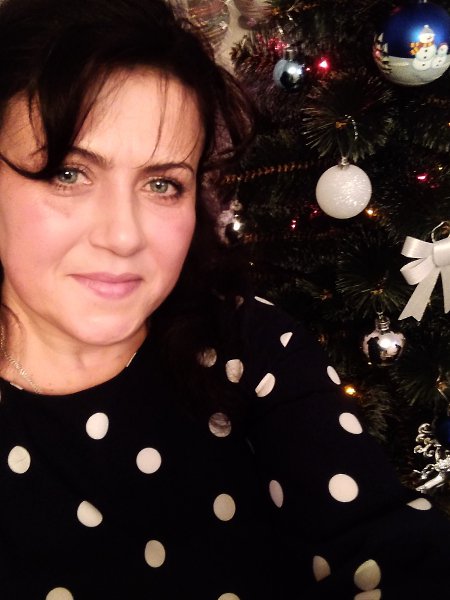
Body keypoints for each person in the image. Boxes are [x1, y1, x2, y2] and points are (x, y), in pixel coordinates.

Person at [0, 0, 448, 598]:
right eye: (68, 173)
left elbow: (389, 548)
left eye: (163, 184)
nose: (124, 236)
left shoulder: (252, 347)